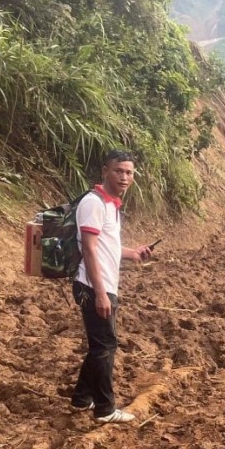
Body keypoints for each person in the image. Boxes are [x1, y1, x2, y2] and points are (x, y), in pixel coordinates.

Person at [70, 150, 154, 425]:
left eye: (129, 172)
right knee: (105, 345)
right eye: (119, 171)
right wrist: (101, 293)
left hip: (102, 285)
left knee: (100, 344)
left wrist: (134, 253)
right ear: (105, 171)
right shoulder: (94, 203)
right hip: (94, 286)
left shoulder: (111, 204)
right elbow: (90, 251)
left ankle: (82, 397)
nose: (125, 177)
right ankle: (105, 409)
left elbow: (108, 247)